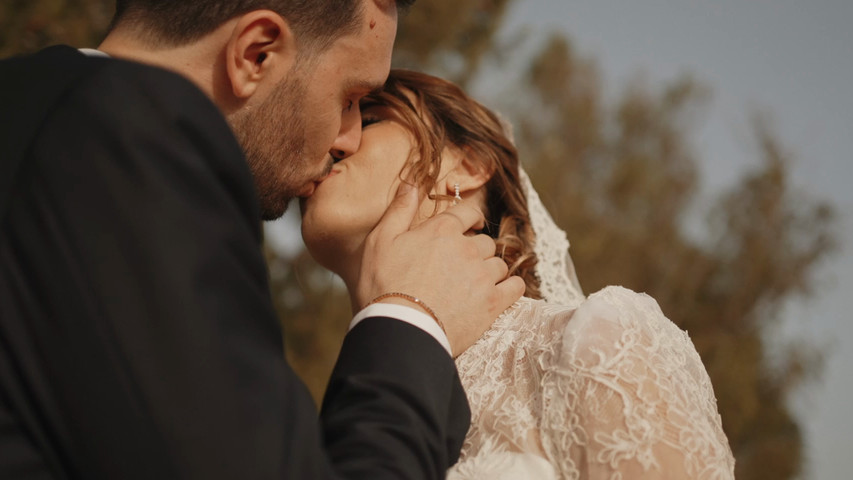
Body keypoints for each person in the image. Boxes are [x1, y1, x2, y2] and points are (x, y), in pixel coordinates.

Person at [0, 1, 524, 478]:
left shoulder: (37, 104)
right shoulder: (132, 143)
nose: (348, 138)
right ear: (256, 53)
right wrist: (411, 319)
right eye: (352, 99)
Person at [300, 69, 737, 479]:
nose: (336, 140)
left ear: (467, 167)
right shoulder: (329, 406)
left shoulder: (600, 343)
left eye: (370, 117)